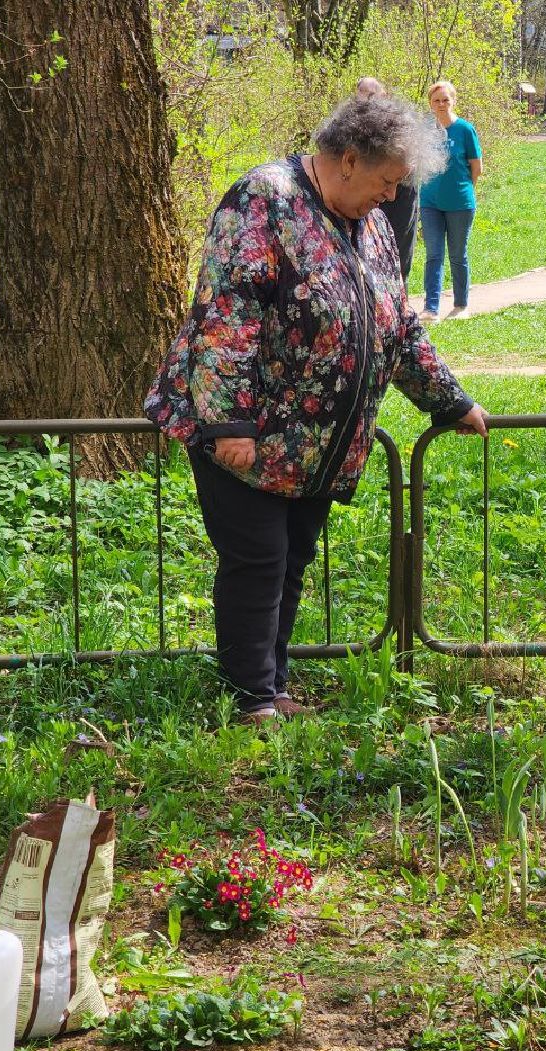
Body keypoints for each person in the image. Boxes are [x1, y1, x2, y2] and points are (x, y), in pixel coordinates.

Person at [144, 95, 490, 723]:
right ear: (349, 160)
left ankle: (271, 685)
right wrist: (229, 423)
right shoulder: (264, 200)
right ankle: (251, 697)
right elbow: (228, 316)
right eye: (387, 182)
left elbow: (398, 329)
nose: (390, 197)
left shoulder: (374, 224)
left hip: (314, 443)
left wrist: (451, 398)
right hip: (249, 432)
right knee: (259, 559)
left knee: (292, 558)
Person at [418, 80, 482, 323]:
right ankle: (430, 308)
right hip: (430, 202)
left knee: (457, 255)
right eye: (437, 100)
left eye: (446, 99)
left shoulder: (465, 130)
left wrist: (463, 190)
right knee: (434, 254)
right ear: (430, 104)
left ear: (453, 101)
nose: (441, 104)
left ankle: (460, 305)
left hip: (460, 203)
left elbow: (476, 168)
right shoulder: (425, 131)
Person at [355, 77, 419, 283]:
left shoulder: (401, 122)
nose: (369, 103)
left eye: (373, 97)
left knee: (397, 260)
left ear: (384, 96)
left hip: (400, 196)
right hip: (365, 199)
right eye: (364, 98)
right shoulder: (351, 126)